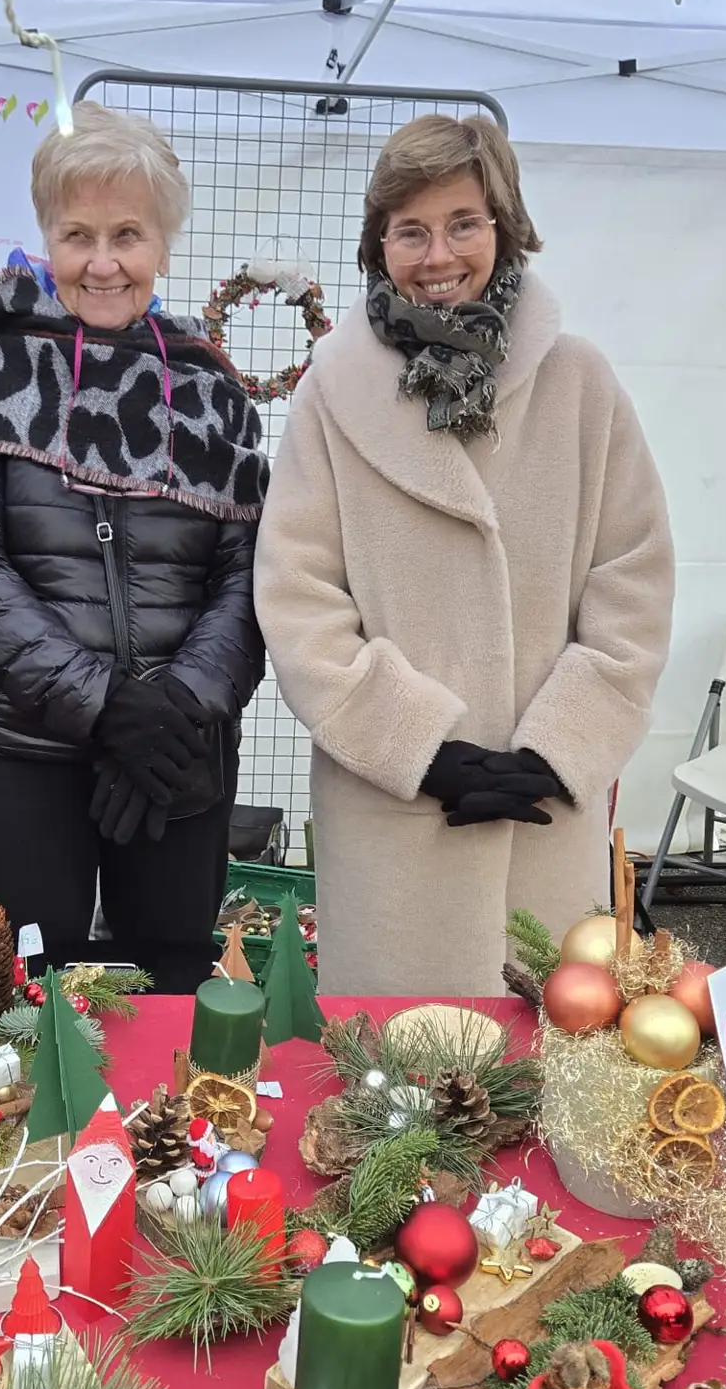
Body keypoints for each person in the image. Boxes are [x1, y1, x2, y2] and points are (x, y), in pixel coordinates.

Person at [254, 115, 675, 997]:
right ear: (378, 244)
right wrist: (420, 747)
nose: (437, 255)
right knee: (388, 1066)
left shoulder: (581, 384)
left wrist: (559, 749)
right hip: (393, 810)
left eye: (463, 224)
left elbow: (633, 579)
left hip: (539, 812)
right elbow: (297, 595)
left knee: (539, 1049)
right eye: (410, 230)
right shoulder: (333, 392)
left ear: (504, 227)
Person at [0, 103, 267, 994]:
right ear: (47, 236)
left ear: (164, 245)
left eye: (128, 235)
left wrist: (178, 704)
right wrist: (104, 702)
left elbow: (246, 574)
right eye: (78, 235)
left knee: (171, 977)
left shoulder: (211, 389)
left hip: (176, 743)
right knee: (23, 986)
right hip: (16, 744)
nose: (103, 262)